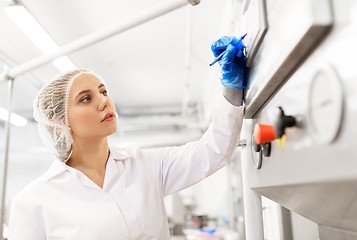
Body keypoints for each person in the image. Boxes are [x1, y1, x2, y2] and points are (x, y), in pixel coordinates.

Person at [8, 36, 247, 240]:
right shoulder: (32, 203)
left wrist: (231, 87)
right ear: (59, 122)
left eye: (103, 91)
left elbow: (213, 150)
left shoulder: (146, 166)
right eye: (86, 98)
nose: (104, 101)